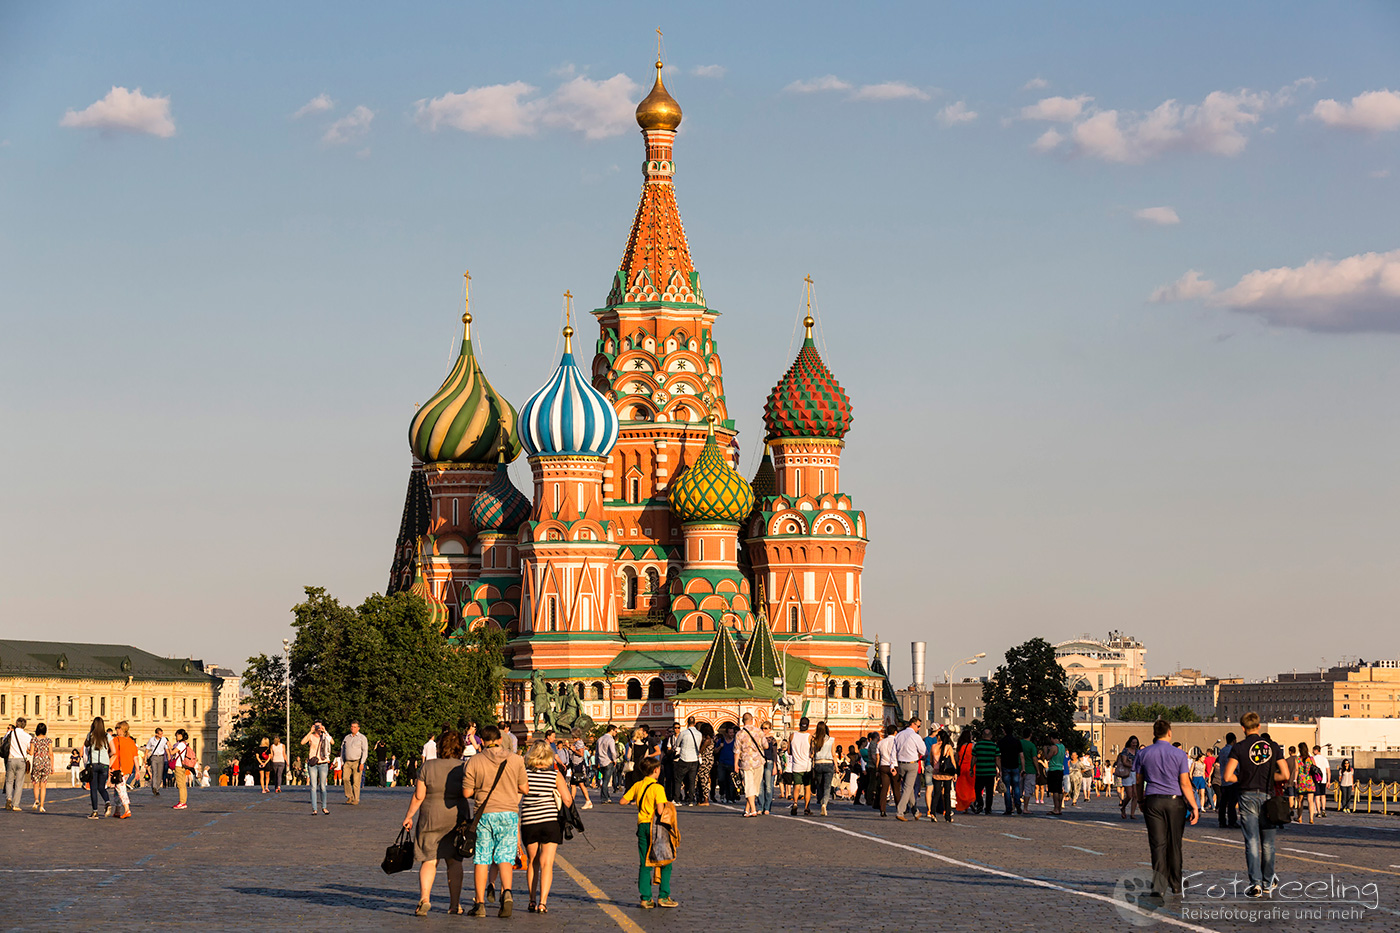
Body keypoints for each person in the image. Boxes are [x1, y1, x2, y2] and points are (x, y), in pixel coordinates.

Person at [461, 724, 529, 918]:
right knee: (505, 857)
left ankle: (479, 903)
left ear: (482, 740)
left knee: (482, 858)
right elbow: (525, 788)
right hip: (508, 813)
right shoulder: (516, 759)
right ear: (500, 739)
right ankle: (506, 892)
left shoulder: (474, 761)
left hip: (484, 815)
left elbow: (466, 792)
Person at [1222, 712, 1290, 899]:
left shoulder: (1239, 747)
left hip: (1246, 796)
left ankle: (1256, 884)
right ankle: (1268, 882)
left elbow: (1227, 776)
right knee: (1268, 843)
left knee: (1251, 842)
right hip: (1268, 797)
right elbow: (1285, 774)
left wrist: (1243, 778)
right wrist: (1269, 780)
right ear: (1259, 727)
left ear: (1243, 728)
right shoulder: (1273, 747)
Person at [402, 729, 469, 916]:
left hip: (430, 817)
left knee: (429, 861)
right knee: (454, 862)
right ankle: (455, 904)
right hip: (456, 818)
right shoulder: (463, 767)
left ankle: (424, 898)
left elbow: (419, 796)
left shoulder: (427, 767)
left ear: (440, 747)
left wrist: (408, 816)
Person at [1133, 720, 1199, 901]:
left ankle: (1159, 887)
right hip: (1174, 802)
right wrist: (1194, 805)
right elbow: (1185, 783)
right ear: (1169, 732)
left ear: (1154, 733)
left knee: (1157, 844)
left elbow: (1139, 781)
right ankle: (1176, 884)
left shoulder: (1143, 753)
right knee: (1175, 844)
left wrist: (1140, 800)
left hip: (1153, 800)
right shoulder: (1179, 754)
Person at [519, 739, 574, 914]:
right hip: (550, 821)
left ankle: (531, 900)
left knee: (532, 862)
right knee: (547, 863)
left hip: (529, 821)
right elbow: (567, 799)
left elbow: (517, 796)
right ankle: (543, 902)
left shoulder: (524, 774)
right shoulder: (555, 775)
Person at [620, 756, 679, 909]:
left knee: (645, 862)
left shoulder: (638, 785)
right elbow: (660, 810)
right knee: (666, 860)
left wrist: (638, 801)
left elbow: (623, 801)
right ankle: (663, 896)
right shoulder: (658, 788)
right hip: (656, 827)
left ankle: (646, 898)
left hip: (642, 825)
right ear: (656, 770)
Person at [891, 717, 924, 821]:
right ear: (913, 724)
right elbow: (924, 751)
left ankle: (915, 811)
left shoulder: (899, 735)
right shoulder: (915, 736)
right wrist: (923, 757)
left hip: (901, 764)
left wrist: (893, 765)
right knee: (907, 788)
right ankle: (900, 811)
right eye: (918, 726)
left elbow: (893, 751)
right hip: (912, 764)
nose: (918, 728)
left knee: (908, 788)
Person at [735, 713, 766, 817]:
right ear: (752, 720)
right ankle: (753, 809)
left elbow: (736, 751)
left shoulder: (739, 734)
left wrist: (735, 764)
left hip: (746, 762)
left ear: (743, 721)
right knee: (755, 786)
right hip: (758, 762)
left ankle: (748, 808)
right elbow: (765, 745)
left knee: (749, 786)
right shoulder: (759, 732)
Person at [302, 720, 334, 815]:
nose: (318, 728)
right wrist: (310, 731)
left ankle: (324, 807)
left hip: (323, 763)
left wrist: (325, 731)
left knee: (323, 787)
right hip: (313, 763)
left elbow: (332, 742)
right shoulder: (311, 736)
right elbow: (302, 742)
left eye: (319, 726)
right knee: (313, 786)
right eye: (316, 726)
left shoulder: (324, 736)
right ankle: (314, 809)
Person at [82, 717, 112, 819]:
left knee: (93, 789)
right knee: (101, 787)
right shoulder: (107, 736)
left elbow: (86, 745)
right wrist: (108, 756)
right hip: (104, 764)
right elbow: (114, 751)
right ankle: (107, 802)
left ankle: (95, 812)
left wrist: (91, 731)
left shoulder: (90, 735)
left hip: (93, 764)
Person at [3, 717, 31, 811]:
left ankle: (8, 798)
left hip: (11, 759)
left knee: (9, 781)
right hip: (21, 760)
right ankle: (15, 805)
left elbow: (3, 742)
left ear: (16, 724)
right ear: (24, 725)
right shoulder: (27, 736)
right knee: (19, 783)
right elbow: (30, 750)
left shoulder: (10, 733)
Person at [788, 717, 813, 815]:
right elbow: (812, 752)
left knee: (796, 786)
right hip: (807, 766)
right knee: (807, 787)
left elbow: (789, 752)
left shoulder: (792, 735)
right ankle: (806, 807)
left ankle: (795, 803)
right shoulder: (809, 737)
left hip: (796, 766)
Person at [672, 717, 700, 806]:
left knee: (678, 779)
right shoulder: (699, 734)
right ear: (694, 723)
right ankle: (691, 800)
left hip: (684, 758)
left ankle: (677, 799)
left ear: (687, 723)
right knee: (692, 780)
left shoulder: (683, 733)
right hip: (694, 759)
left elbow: (677, 744)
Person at [998, 726, 1025, 815]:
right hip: (1015, 766)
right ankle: (1017, 803)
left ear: (1004, 731)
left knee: (1006, 788)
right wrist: (1023, 768)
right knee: (1016, 787)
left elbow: (998, 756)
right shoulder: (1017, 742)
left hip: (1005, 766)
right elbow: (1021, 756)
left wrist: (999, 768)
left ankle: (1009, 808)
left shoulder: (1001, 742)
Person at [341, 721, 368, 805]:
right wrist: (342, 761)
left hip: (357, 761)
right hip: (347, 761)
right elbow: (342, 749)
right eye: (352, 726)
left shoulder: (362, 738)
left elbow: (365, 751)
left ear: (358, 728)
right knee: (345, 778)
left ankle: (356, 798)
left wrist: (362, 763)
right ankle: (349, 795)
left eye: (355, 727)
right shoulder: (347, 737)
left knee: (356, 782)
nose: (353, 728)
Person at [27, 723, 52, 813]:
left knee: (36, 784)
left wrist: (27, 750)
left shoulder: (34, 740)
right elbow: (51, 754)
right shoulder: (48, 741)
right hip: (46, 764)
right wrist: (52, 767)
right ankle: (42, 805)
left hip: (37, 763)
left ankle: (36, 799)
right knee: (43, 785)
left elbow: (31, 753)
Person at [1114, 736, 1141, 820]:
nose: (1134, 744)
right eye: (1133, 742)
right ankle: (1123, 807)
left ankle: (1132, 814)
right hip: (1127, 773)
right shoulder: (1125, 751)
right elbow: (1124, 762)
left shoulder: (1138, 751)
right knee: (1129, 795)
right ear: (1130, 742)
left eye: (1136, 743)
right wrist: (1133, 766)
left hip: (1135, 774)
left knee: (1136, 795)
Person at [1216, 732, 1239, 828]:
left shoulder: (1222, 750)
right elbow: (1236, 765)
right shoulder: (1233, 750)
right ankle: (1232, 821)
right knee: (1232, 802)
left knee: (1223, 802)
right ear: (1234, 740)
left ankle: (1222, 821)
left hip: (1223, 779)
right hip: (1232, 779)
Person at [169, 728, 195, 809]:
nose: (176, 737)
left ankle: (182, 802)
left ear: (180, 735)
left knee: (180, 785)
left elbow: (172, 752)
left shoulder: (180, 744)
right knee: (183, 785)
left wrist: (169, 746)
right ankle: (183, 801)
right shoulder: (185, 744)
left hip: (179, 766)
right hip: (183, 766)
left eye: (177, 735)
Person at [954, 728, 976, 813]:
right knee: (972, 787)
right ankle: (972, 801)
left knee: (963, 788)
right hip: (971, 768)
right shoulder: (973, 746)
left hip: (962, 768)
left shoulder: (960, 747)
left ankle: (965, 807)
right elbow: (975, 757)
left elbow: (956, 758)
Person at [1044, 733, 1066, 816]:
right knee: (1059, 790)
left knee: (1055, 790)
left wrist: (1045, 751)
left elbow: (1047, 757)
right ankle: (1059, 808)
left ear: (1052, 738)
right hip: (1060, 769)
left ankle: (1056, 808)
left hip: (1053, 769)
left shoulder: (1054, 747)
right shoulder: (1062, 746)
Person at [596, 724, 620, 804]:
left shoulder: (600, 739)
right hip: (608, 761)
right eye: (615, 731)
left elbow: (596, 753)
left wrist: (596, 762)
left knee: (604, 780)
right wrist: (615, 760)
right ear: (612, 730)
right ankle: (604, 798)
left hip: (601, 762)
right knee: (606, 781)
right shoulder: (610, 739)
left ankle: (607, 797)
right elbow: (613, 751)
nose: (616, 733)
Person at [759, 722, 778, 815]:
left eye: (766, 728)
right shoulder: (758, 739)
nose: (764, 730)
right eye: (762, 728)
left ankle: (767, 807)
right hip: (759, 763)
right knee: (759, 786)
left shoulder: (772, 740)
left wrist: (775, 766)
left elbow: (774, 754)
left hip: (769, 762)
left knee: (768, 786)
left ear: (770, 729)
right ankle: (760, 806)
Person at [694, 723, 715, 806]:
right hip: (709, 760)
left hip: (705, 760)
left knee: (703, 778)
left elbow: (701, 750)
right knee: (703, 778)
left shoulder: (707, 740)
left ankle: (706, 799)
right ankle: (702, 797)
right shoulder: (711, 739)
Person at [145, 728, 168, 797]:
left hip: (161, 757)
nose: (161, 735)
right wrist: (145, 758)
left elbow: (166, 748)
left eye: (162, 734)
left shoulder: (164, 739)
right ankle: (154, 787)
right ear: (156, 734)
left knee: (160, 773)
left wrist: (169, 755)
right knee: (154, 772)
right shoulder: (151, 740)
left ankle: (157, 789)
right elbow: (147, 748)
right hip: (154, 757)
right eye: (160, 734)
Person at [1311, 745, 1330, 819]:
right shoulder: (1324, 759)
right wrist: (1328, 781)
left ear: (1316, 750)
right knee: (1323, 795)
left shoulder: (1313, 759)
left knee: (1317, 796)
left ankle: (1318, 811)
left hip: (1315, 779)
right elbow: (1328, 770)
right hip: (1324, 779)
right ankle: (1323, 810)